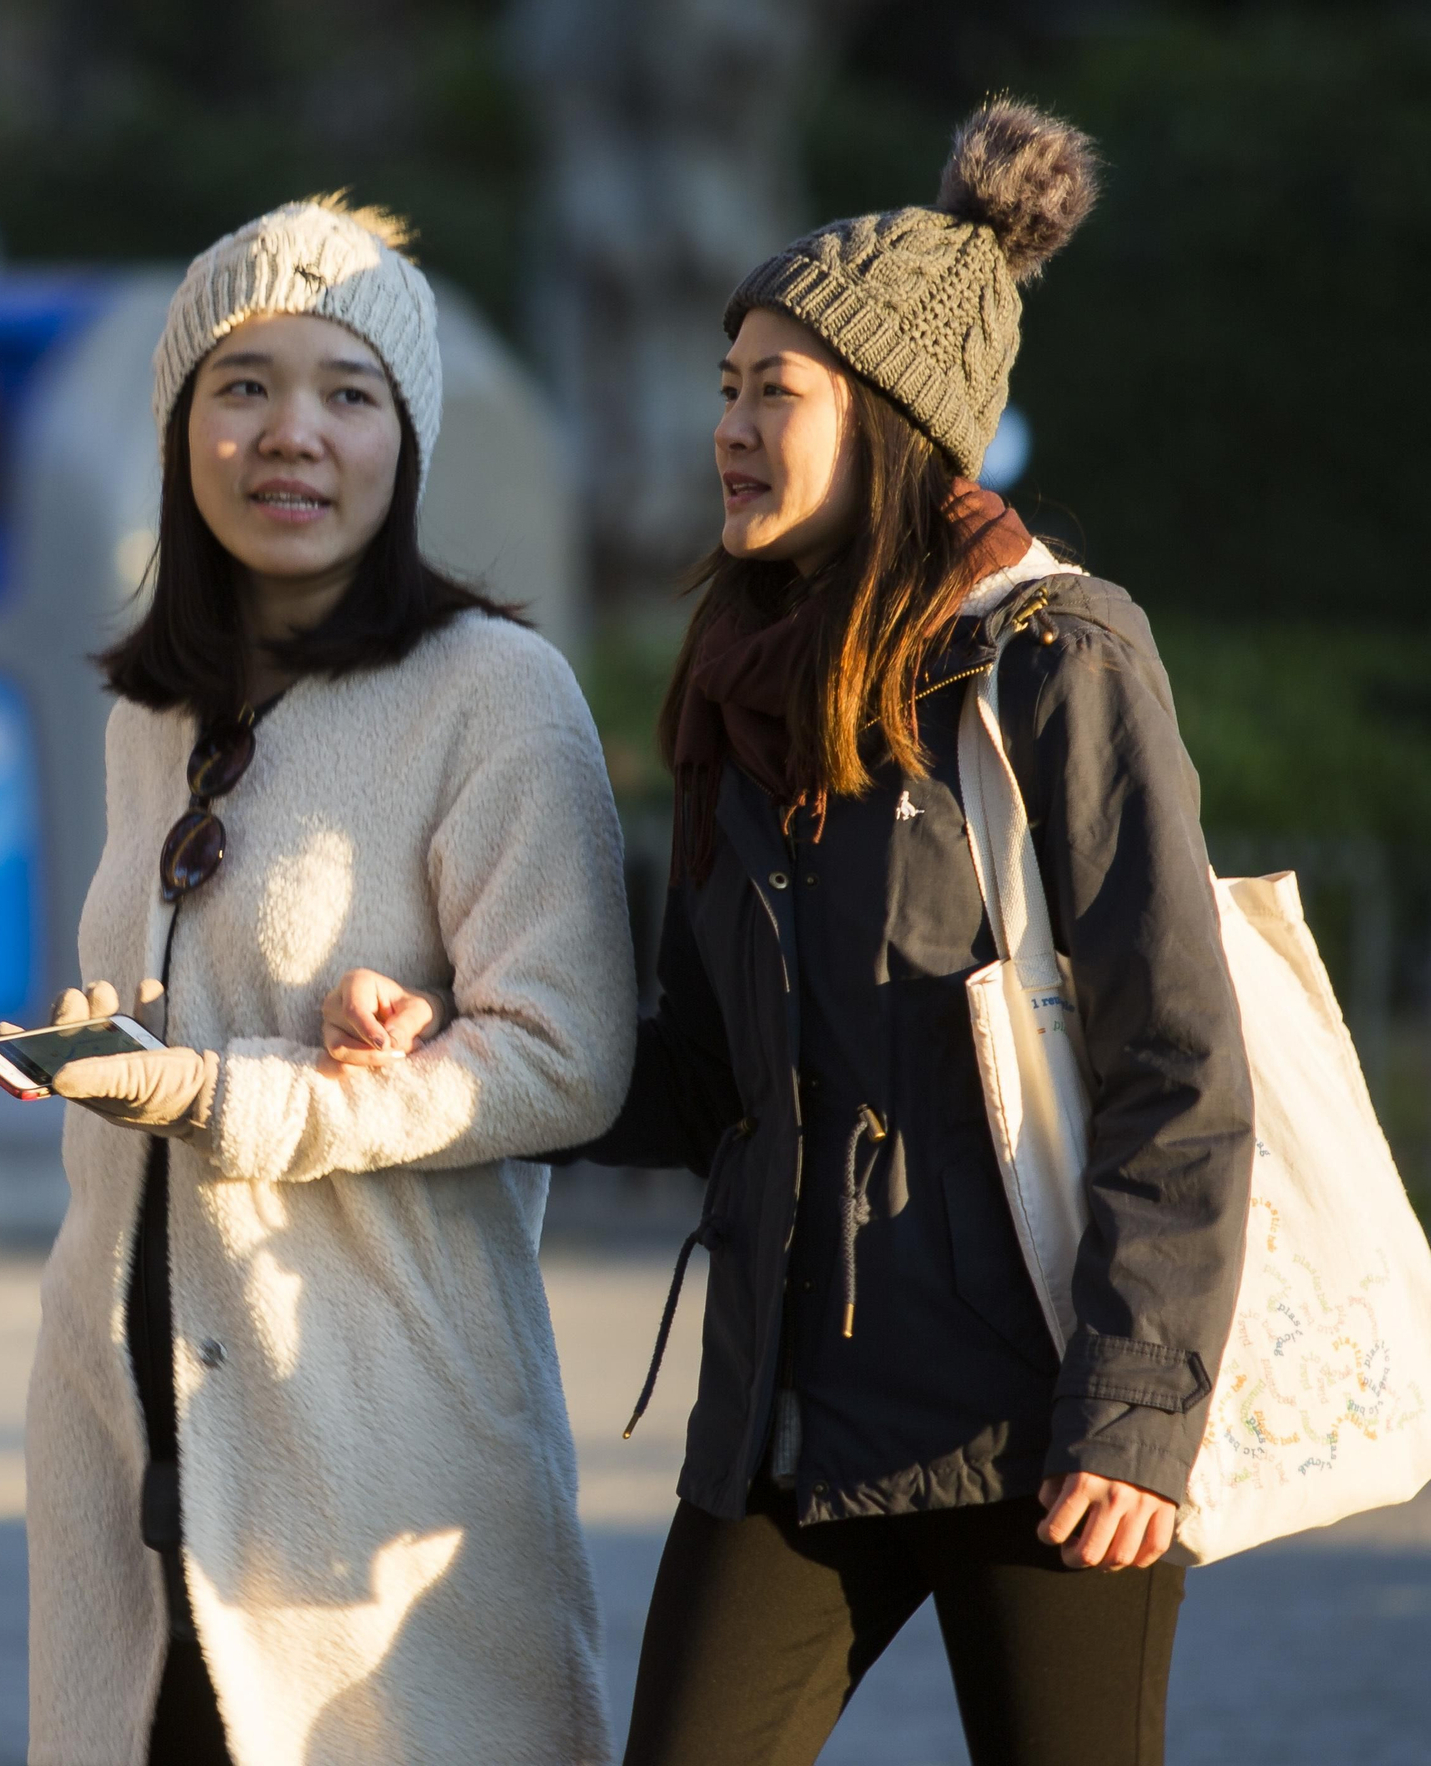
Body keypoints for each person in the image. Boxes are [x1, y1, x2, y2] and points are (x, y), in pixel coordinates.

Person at [340, 101, 1257, 1762]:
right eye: (725, 388)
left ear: (898, 421)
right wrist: (459, 1043)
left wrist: (1136, 1408)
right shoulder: (739, 691)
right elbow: (703, 1072)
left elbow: (1176, 1063)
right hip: (785, 1418)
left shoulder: (1055, 659)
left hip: (1041, 1419)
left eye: (779, 391)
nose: (733, 429)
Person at [9, 197, 636, 1766]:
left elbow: (568, 1058)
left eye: (347, 393)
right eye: (245, 387)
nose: (293, 433)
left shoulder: (498, 692)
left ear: (404, 440)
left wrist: (236, 1096)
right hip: (127, 1433)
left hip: (368, 1455)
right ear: (182, 428)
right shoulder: (150, 716)